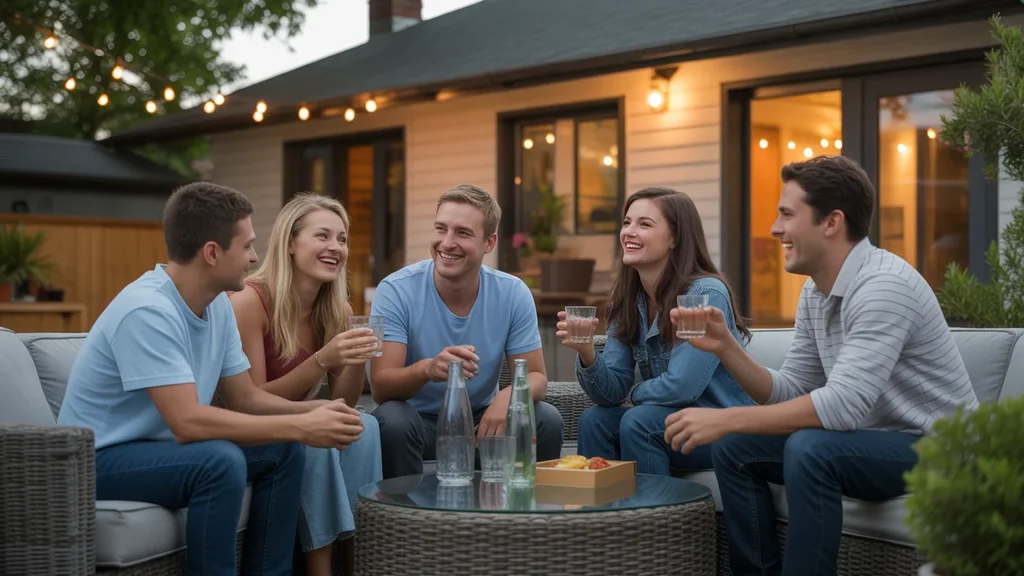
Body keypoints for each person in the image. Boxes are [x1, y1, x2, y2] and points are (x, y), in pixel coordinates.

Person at [663, 156, 979, 576]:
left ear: (831, 222)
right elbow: (794, 388)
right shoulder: (816, 292)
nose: (775, 228)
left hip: (939, 446)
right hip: (872, 441)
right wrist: (726, 348)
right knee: (735, 448)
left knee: (811, 449)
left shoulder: (884, 287)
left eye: (787, 214)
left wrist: (726, 418)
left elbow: (842, 407)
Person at [56, 182, 366, 576]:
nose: (255, 258)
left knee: (285, 448)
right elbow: (187, 423)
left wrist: (313, 410)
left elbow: (245, 399)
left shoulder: (216, 305)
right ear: (212, 253)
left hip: (157, 449)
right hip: (97, 459)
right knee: (218, 461)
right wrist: (301, 423)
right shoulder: (147, 310)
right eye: (248, 246)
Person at [230, 193, 383, 576]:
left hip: (294, 418)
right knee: (312, 430)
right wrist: (322, 360)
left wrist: (355, 357)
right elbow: (250, 400)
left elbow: (345, 401)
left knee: (366, 426)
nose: (335, 247)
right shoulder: (250, 301)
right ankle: (320, 568)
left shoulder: (337, 309)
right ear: (290, 244)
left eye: (343, 239)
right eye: (323, 236)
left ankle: (359, 560)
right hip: (245, 426)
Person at [369, 183, 564, 479]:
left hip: (482, 423)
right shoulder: (396, 290)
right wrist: (427, 369)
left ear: (489, 242)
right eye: (440, 229)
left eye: (462, 233)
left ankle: (531, 519)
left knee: (546, 418)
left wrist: (506, 398)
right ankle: (410, 520)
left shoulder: (512, 293)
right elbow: (381, 386)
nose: (447, 243)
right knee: (393, 419)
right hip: (419, 425)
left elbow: (537, 378)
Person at [558, 187, 755, 475]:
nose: (629, 232)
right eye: (627, 222)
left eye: (644, 224)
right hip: (666, 422)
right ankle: (597, 516)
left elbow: (682, 387)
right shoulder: (626, 298)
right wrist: (587, 352)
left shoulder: (705, 293)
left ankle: (652, 516)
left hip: (720, 429)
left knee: (640, 420)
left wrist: (634, 395)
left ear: (675, 238)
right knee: (594, 419)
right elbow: (610, 393)